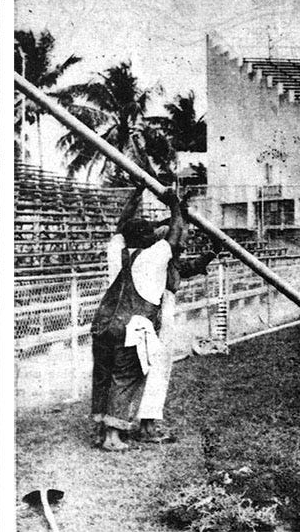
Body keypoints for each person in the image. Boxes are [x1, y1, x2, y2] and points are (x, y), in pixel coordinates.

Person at [90, 184, 184, 451]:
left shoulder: (116, 250)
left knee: (103, 377)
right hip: (131, 327)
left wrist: (136, 192)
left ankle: (99, 430)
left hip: (102, 324)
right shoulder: (153, 257)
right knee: (125, 377)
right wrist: (175, 205)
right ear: (144, 238)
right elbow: (175, 235)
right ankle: (112, 437)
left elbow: (120, 225)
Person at [136, 226, 222, 443]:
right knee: (155, 368)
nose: (183, 245)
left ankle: (148, 422)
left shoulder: (169, 260)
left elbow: (188, 267)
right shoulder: (156, 260)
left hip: (164, 310)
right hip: (156, 311)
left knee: (160, 368)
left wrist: (212, 253)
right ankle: (145, 425)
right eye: (180, 241)